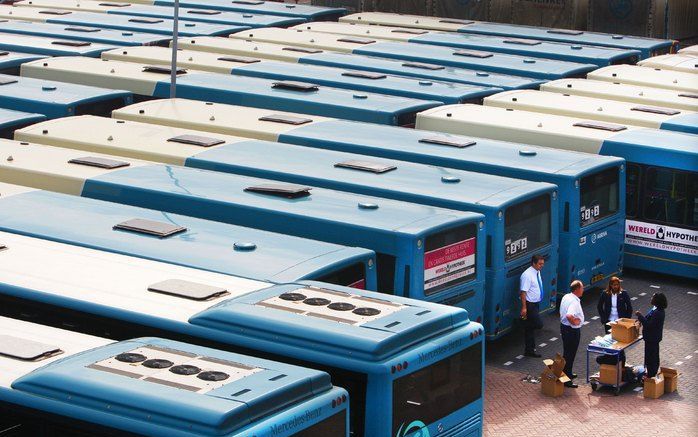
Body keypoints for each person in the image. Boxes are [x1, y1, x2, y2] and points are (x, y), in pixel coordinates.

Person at [636, 293, 667, 379]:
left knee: (651, 357)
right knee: (651, 356)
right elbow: (648, 317)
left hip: (652, 338)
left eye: (652, 297)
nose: (651, 298)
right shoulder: (655, 309)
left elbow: (649, 325)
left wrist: (640, 316)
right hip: (651, 338)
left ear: (657, 300)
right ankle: (649, 373)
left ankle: (651, 375)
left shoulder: (658, 313)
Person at [560, 280, 585, 388]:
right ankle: (567, 379)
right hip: (571, 330)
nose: (583, 290)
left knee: (567, 352)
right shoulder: (574, 302)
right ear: (577, 289)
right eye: (582, 288)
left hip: (564, 328)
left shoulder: (566, 296)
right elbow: (569, 315)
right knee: (570, 354)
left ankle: (568, 372)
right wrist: (575, 322)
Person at [520, 254, 546, 357]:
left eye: (542, 264)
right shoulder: (527, 275)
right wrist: (524, 307)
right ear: (533, 263)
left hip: (535, 303)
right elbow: (523, 292)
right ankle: (523, 323)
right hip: (530, 304)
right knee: (538, 324)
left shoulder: (537, 272)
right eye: (540, 264)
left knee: (530, 330)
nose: (541, 266)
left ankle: (529, 350)